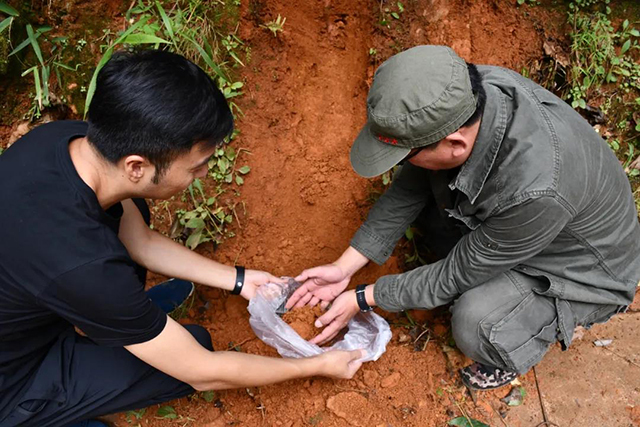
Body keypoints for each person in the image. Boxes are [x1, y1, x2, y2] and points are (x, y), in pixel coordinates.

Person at [0, 50, 363, 427]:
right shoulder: (83, 264)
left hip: (36, 307)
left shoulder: (67, 141)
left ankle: (120, 317)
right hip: (13, 379)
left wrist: (238, 279)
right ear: (136, 166)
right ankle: (37, 411)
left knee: (131, 212)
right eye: (196, 166)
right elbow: (203, 371)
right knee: (188, 356)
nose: (204, 173)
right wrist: (316, 364)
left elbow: (138, 241)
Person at [287, 45, 640, 391]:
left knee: (475, 321)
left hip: (581, 269)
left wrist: (364, 296)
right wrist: (345, 266)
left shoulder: (536, 190)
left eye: (405, 154)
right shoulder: (464, 94)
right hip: (528, 224)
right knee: (433, 202)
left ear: (455, 144)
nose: (401, 163)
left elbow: (455, 274)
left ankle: (514, 345)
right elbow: (412, 181)